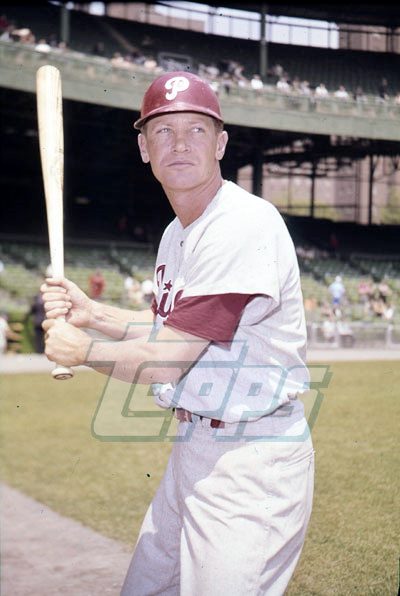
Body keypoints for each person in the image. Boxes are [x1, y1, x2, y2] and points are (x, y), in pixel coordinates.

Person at [41, 71, 314, 595]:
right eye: (164, 131)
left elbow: (167, 359)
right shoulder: (177, 231)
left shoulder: (242, 224)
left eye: (196, 129)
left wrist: (83, 351)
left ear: (221, 144)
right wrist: (93, 314)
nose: (180, 144)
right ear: (145, 148)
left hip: (251, 459)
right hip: (196, 446)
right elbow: (171, 330)